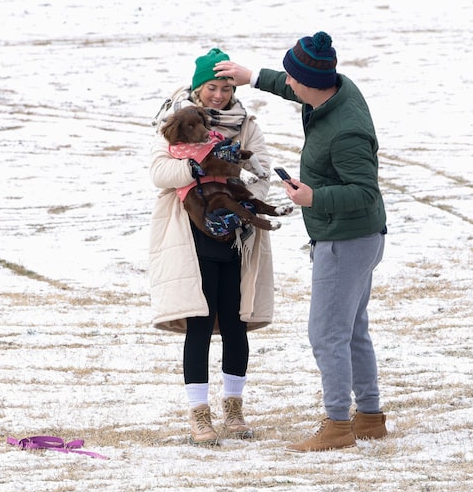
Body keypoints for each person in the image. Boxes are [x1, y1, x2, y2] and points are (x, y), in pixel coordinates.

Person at [214, 31, 389, 452]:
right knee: (352, 330)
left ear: (309, 82)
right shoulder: (336, 90)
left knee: (327, 333)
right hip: (362, 237)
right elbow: (291, 82)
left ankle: (337, 426)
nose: (286, 85)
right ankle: (369, 417)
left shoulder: (345, 130)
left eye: (292, 80)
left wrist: (314, 197)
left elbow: (365, 190)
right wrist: (251, 76)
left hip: (344, 240)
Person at [148, 48, 276, 446]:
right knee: (199, 322)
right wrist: (202, 165)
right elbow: (159, 172)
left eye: (226, 87)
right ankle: (199, 416)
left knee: (237, 322)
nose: (218, 95)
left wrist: (237, 196)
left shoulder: (247, 125)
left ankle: (234, 410)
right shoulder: (176, 122)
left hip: (236, 235)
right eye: (211, 87)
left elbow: (263, 172)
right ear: (198, 87)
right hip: (190, 234)